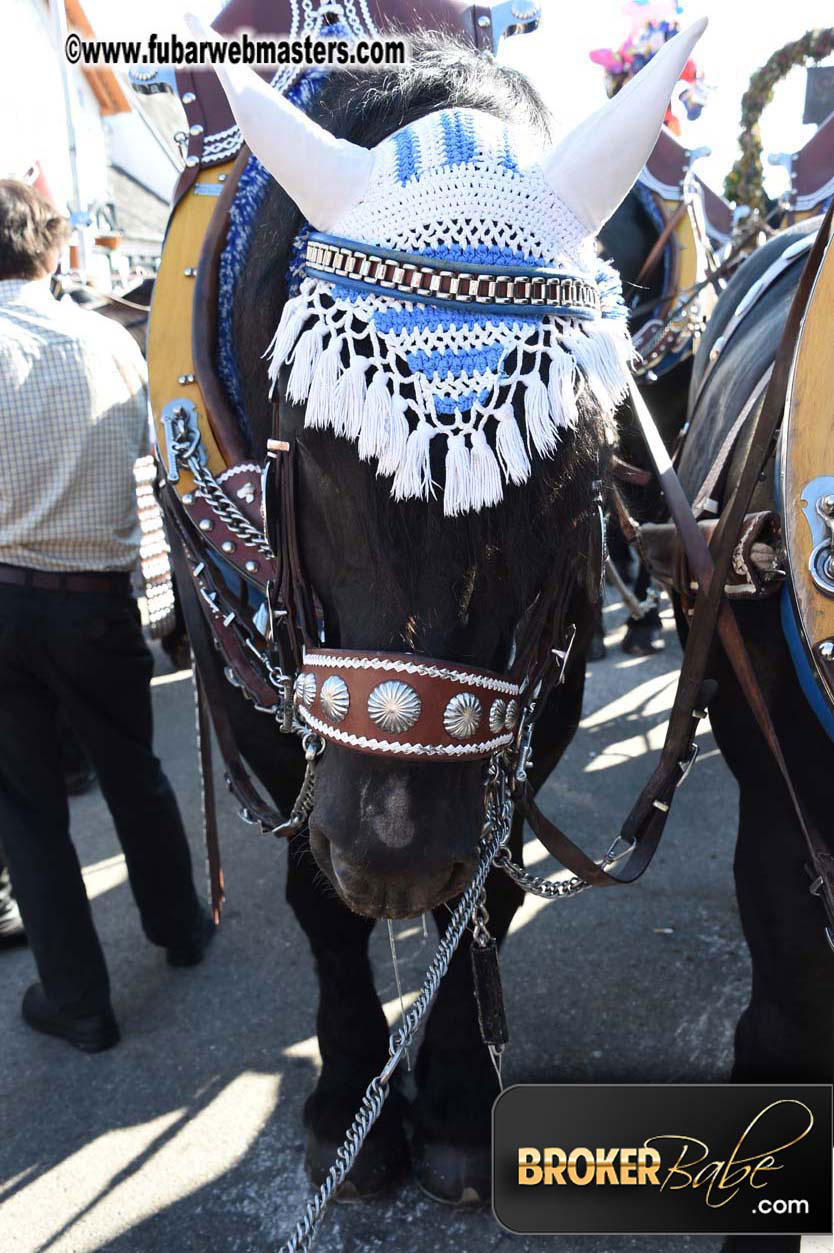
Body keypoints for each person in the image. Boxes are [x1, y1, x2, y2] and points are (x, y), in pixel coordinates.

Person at [0, 180, 212, 1053]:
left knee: (27, 809)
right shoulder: (105, 341)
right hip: (93, 599)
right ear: (51, 248)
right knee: (133, 769)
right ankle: (181, 927)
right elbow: (151, 463)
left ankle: (80, 1001)